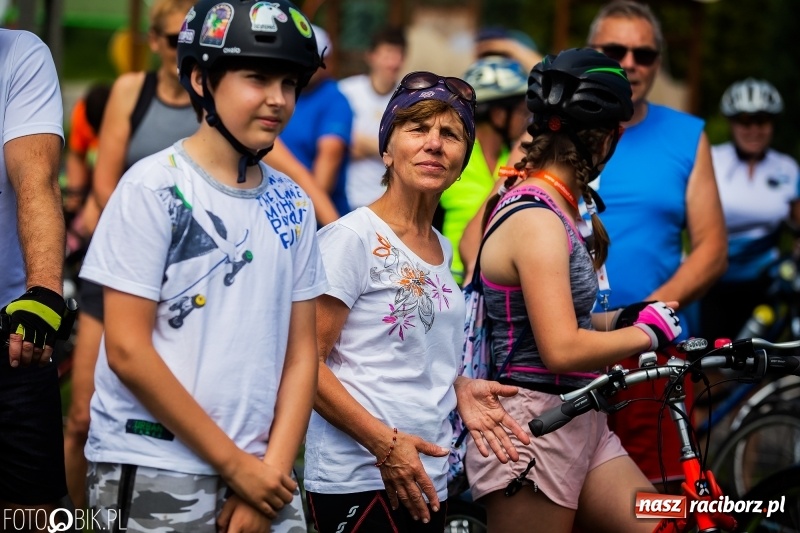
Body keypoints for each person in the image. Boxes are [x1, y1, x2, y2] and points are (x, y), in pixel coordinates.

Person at [78, 1, 327, 531]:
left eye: (290, 83)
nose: (278, 99)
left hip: (265, 476)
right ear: (200, 78)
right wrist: (237, 467)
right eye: (257, 77)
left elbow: (302, 355)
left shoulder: (295, 202)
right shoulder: (152, 187)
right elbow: (125, 349)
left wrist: (268, 475)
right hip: (154, 468)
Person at [303, 71, 530, 533]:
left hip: (429, 474)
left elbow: (409, 354)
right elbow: (304, 363)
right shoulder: (352, 239)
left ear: (463, 159)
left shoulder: (442, 248)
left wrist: (458, 386)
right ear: (387, 149)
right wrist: (384, 445)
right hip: (360, 477)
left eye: (450, 134)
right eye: (418, 128)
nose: (434, 144)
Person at [464, 47, 678, 533]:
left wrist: (630, 318)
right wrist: (650, 337)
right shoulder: (538, 219)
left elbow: (568, 320)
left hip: (581, 415)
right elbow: (560, 347)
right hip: (530, 428)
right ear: (608, 137)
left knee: (667, 524)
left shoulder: (560, 209)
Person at [586, 0, 727, 489]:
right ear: (590, 53)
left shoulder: (687, 135)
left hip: (651, 351)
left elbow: (711, 247)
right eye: (614, 49)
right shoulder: (558, 130)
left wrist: (651, 314)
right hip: (564, 346)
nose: (629, 62)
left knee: (657, 498)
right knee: (567, 498)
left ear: (658, 63)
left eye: (644, 54)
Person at [63, 0, 198, 510]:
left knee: (169, 416)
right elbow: (105, 179)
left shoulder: (214, 99)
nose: (177, 50)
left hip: (187, 277)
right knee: (81, 415)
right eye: (169, 40)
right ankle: (68, 518)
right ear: (153, 42)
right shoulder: (129, 91)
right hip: (121, 264)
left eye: (188, 40)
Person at [0, 28, 71, 525]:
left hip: (10, 331)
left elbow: (36, 177)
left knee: (35, 516)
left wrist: (43, 290)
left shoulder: (19, 53)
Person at [700, 78, 800, 341]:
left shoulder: (787, 168)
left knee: (758, 364)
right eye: (745, 121)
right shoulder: (712, 159)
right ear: (732, 123)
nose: (754, 129)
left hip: (764, 281)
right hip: (712, 278)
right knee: (711, 362)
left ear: (773, 124)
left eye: (763, 121)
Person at [439, 55, 529, 284]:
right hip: (449, 283)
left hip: (499, 282)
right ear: (499, 115)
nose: (526, 119)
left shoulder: (515, 156)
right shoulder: (450, 154)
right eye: (521, 111)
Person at [266, 24, 353, 216]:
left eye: (312, 60)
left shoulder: (335, 101)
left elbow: (325, 173)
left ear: (326, 60)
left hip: (310, 219)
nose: (304, 66)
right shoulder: (282, 93)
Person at [339, 26, 407, 210]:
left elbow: (406, 152)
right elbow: (336, 145)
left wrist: (361, 143)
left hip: (388, 203)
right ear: (371, 56)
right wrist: (388, 148)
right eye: (387, 55)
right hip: (346, 198)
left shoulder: (408, 99)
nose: (393, 63)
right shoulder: (346, 91)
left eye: (398, 55)